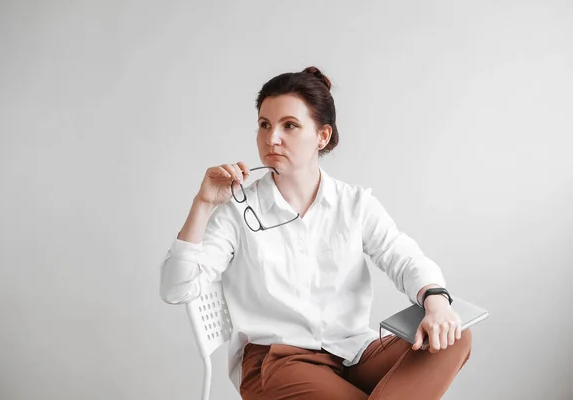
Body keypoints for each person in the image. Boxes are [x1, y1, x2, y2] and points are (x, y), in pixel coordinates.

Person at [160, 66, 472, 399]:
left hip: (353, 352)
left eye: (289, 126)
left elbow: (403, 255)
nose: (271, 138)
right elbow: (176, 289)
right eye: (264, 125)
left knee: (456, 336)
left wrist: (436, 302)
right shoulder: (237, 211)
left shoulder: (353, 203)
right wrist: (203, 202)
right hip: (279, 361)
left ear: (322, 136)